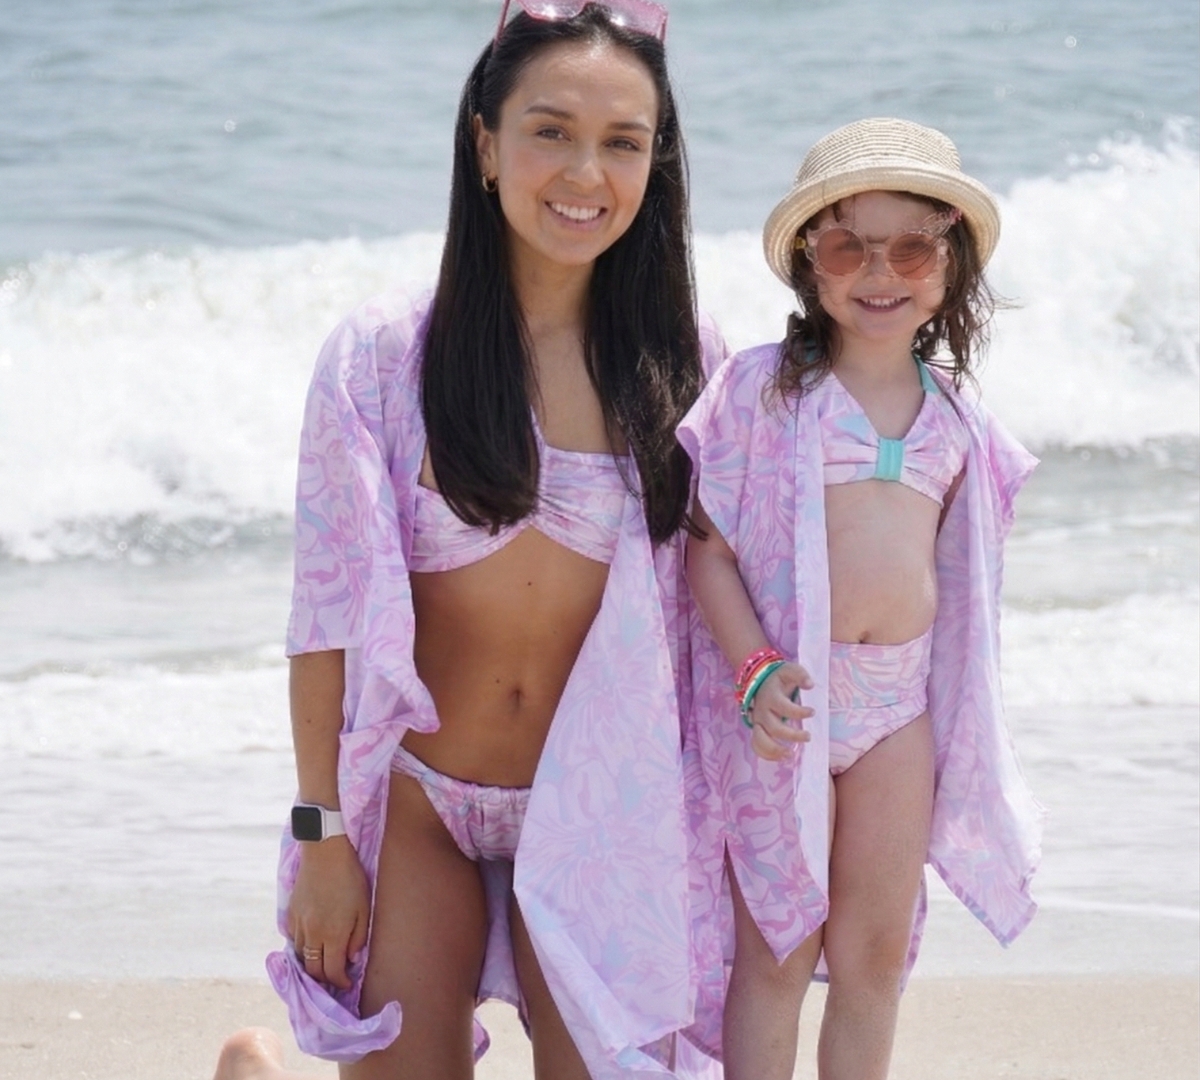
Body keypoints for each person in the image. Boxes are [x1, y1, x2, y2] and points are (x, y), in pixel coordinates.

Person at [217, 2, 728, 1077]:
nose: (585, 171)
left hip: (593, 812)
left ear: (655, 165)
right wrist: (322, 835)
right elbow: (324, 613)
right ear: (486, 144)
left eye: (622, 142)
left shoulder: (688, 362)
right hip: (420, 801)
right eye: (550, 130)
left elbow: (731, 595)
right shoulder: (384, 355)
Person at [677, 118, 1044, 1079]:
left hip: (897, 708)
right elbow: (705, 550)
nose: (879, 272)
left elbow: (966, 586)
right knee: (779, 947)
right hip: (788, 704)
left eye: (912, 247)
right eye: (848, 245)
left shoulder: (960, 420)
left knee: (875, 956)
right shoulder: (764, 392)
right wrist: (754, 670)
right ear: (811, 263)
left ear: (948, 263)